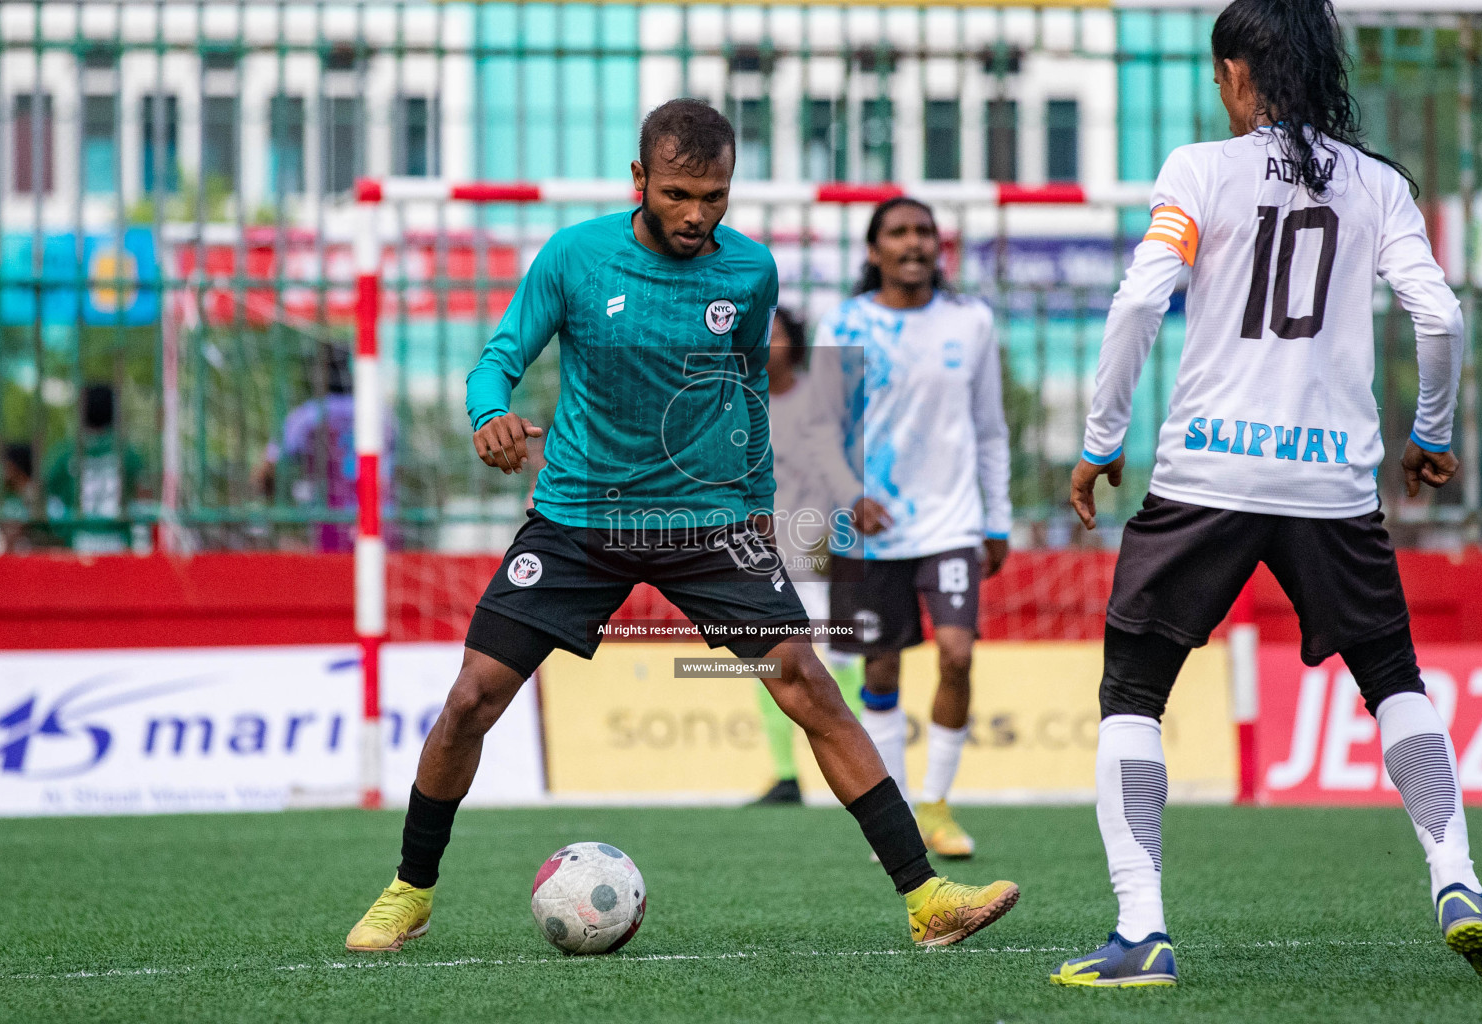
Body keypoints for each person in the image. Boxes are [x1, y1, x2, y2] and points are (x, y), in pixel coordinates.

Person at [344, 99, 1019, 953]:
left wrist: (754, 504)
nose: (697, 214)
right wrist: (489, 414)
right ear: (639, 180)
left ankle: (927, 899)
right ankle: (411, 890)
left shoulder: (750, 273)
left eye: (715, 195)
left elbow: (744, 393)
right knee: (473, 696)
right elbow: (501, 356)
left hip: (709, 523)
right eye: (676, 194)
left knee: (808, 683)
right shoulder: (577, 257)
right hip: (580, 517)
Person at [1053, 0, 1482, 987]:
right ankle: (1458, 879)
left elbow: (1136, 302)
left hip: (1207, 471)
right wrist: (1428, 432)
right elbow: (1440, 313)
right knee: (1393, 681)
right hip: (1331, 480)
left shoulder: (1199, 171)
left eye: (1221, 77)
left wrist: (1100, 441)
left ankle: (1141, 932)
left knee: (1132, 695)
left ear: (1239, 75)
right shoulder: (1381, 185)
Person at [810, 197, 1012, 858]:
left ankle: (938, 804)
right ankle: (896, 814)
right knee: (882, 666)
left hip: (952, 521)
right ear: (874, 251)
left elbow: (989, 427)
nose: (914, 242)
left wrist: (999, 517)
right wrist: (849, 494)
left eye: (925, 230)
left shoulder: (970, 321)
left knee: (957, 653)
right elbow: (819, 429)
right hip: (870, 528)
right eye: (898, 232)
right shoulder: (845, 323)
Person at [749, 306, 864, 805]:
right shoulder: (741, 404)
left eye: (773, 333)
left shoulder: (821, 401)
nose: (764, 343)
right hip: (763, 550)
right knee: (766, 656)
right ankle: (785, 773)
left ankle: (864, 759)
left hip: (824, 544)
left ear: (794, 341)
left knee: (839, 652)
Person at [255, 343, 384, 552]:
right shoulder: (382, 416)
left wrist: (271, 497)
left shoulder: (307, 417)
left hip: (330, 530)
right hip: (381, 525)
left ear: (318, 373)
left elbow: (266, 470)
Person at [44, 383, 146, 554]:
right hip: (119, 542)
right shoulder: (127, 453)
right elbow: (142, 500)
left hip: (78, 541)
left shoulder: (66, 454)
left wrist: (61, 529)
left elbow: (47, 498)